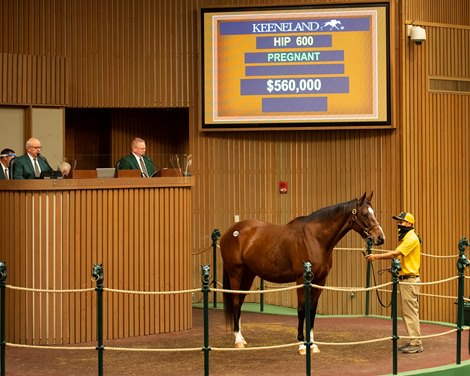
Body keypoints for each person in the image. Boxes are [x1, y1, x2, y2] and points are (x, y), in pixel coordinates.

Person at [365, 211, 423, 354]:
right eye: (399, 221)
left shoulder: (410, 238)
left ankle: (416, 343)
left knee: (410, 313)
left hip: (409, 281)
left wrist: (375, 257)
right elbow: (404, 258)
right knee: (407, 313)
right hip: (406, 279)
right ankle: (413, 340)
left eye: (401, 222)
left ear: (409, 224)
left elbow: (395, 254)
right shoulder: (407, 238)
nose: (399, 224)